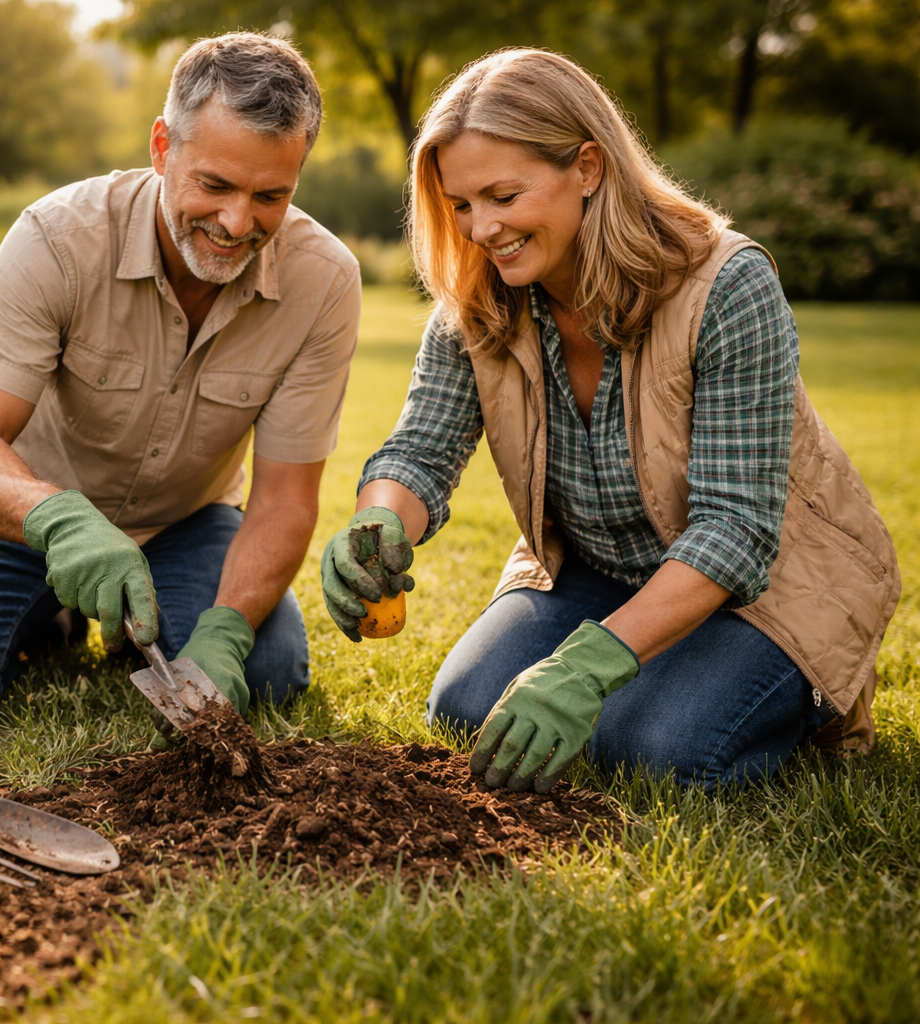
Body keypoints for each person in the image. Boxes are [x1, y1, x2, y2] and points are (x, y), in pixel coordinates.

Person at [320, 49, 900, 791]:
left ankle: (812, 690)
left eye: (502, 195)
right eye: (461, 205)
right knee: (466, 709)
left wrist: (589, 666)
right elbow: (421, 451)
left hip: (766, 588)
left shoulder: (727, 285)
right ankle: (652, 668)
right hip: (597, 568)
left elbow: (736, 532)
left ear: (588, 168)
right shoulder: (481, 300)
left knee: (658, 749)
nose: (481, 229)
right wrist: (379, 524)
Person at [0, 33, 361, 720]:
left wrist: (224, 632)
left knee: (270, 675)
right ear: (163, 147)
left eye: (269, 196)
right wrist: (60, 521)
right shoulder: (56, 240)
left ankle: (139, 618)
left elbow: (283, 499)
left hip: (186, 524)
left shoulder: (325, 281)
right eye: (214, 185)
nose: (236, 222)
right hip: (24, 517)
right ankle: (61, 611)